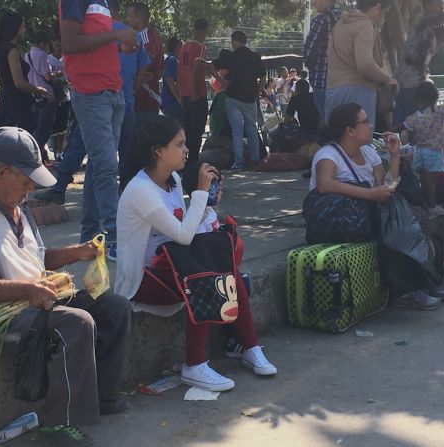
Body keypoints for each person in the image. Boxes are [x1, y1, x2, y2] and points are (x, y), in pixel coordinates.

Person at [0, 127, 131, 446]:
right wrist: (27, 290)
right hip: (4, 310)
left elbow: (38, 259)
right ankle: (59, 422)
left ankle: (101, 396)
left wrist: (77, 252)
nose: (30, 189)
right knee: (76, 324)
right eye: (26, 181)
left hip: (38, 299)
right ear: (2, 173)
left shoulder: (19, 207)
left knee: (115, 307)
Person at [115, 115, 277, 392]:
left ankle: (250, 347)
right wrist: (200, 193)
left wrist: (207, 203)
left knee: (226, 269)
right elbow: (183, 235)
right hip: (143, 281)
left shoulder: (173, 180)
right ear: (158, 150)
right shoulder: (140, 190)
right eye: (179, 144)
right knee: (204, 275)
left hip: (171, 266)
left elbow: (187, 228)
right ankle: (195, 365)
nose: (186, 150)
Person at [310, 103, 442, 309]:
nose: (371, 126)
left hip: (363, 215)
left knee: (415, 216)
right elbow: (324, 184)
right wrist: (369, 194)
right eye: (364, 122)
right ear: (350, 130)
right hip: (339, 220)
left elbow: (386, 186)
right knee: (394, 228)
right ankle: (406, 291)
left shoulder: (369, 153)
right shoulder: (328, 154)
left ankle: (423, 282)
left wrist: (395, 155)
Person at [60, 0, 138, 261]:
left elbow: (95, 40)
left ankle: (90, 238)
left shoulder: (102, 3)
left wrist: (119, 44)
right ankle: (115, 238)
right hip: (91, 92)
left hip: (113, 91)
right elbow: (69, 44)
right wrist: (116, 34)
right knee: (106, 166)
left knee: (98, 166)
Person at [325, 0, 399, 128]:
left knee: (334, 140)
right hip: (358, 91)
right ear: (377, 7)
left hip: (333, 90)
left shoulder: (340, 24)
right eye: (383, 13)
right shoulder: (364, 26)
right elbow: (365, 64)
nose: (381, 18)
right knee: (361, 143)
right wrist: (388, 79)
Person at [393, 0, 444, 128]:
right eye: (437, 3)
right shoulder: (425, 21)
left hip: (405, 79)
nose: (441, 7)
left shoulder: (427, 29)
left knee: (402, 122)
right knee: (419, 122)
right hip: (411, 80)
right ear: (426, 6)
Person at [212, 31, 266, 170]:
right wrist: (257, 92)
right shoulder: (254, 57)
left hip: (233, 97)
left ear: (235, 41)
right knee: (252, 129)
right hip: (250, 98)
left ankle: (239, 162)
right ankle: (255, 160)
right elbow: (263, 77)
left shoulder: (231, 57)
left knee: (237, 131)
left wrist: (221, 81)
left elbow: (211, 66)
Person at [0, 13, 50, 131]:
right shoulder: (12, 50)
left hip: (5, 99)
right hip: (17, 103)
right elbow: (19, 83)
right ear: (15, 28)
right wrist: (43, 91)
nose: (25, 30)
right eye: (23, 26)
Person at [402, 81, 444, 218]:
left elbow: (404, 126)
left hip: (420, 151)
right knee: (431, 180)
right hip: (433, 151)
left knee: (424, 178)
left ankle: (427, 203)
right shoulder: (439, 111)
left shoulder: (415, 117)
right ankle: (432, 206)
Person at [113, 16, 151, 188]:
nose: (130, 19)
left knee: (101, 152)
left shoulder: (97, 30)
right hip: (126, 99)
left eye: (132, 15)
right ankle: (125, 187)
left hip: (103, 99)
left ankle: (61, 184)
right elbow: (145, 68)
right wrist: (134, 88)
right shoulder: (133, 35)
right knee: (125, 148)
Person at [127, 2, 164, 133]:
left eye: (130, 16)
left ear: (138, 18)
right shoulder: (153, 35)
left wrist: (133, 90)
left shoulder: (144, 36)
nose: (127, 20)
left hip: (144, 99)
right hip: (147, 100)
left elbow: (147, 60)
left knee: (138, 144)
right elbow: (159, 71)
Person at [178, 18, 210, 168]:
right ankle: (193, 164)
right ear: (204, 31)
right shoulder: (200, 47)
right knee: (197, 132)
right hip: (196, 95)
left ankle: (182, 162)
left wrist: (180, 93)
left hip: (184, 95)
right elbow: (197, 69)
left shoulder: (184, 47)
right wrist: (196, 92)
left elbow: (179, 72)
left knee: (186, 131)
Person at [303, 0, 340, 126]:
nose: (314, 2)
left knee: (325, 121)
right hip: (340, 82)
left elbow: (308, 50)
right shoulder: (341, 20)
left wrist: (312, 67)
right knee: (336, 121)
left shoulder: (320, 20)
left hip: (321, 80)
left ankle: (326, 144)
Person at [25, 30, 57, 164]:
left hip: (32, 93)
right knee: (45, 129)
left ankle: (36, 155)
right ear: (43, 43)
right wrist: (58, 73)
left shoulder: (26, 55)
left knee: (35, 127)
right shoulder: (43, 56)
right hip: (46, 94)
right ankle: (35, 157)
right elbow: (47, 75)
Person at [47, 36, 71, 161]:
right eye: (57, 45)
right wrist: (57, 74)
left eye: (62, 45)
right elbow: (47, 76)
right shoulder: (48, 59)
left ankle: (59, 153)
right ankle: (47, 150)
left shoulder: (66, 60)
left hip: (64, 95)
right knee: (50, 124)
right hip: (52, 96)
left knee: (63, 126)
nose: (60, 48)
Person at [162, 36, 183, 123]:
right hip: (172, 103)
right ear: (178, 46)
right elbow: (170, 80)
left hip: (169, 102)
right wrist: (179, 99)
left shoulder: (169, 58)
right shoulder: (172, 60)